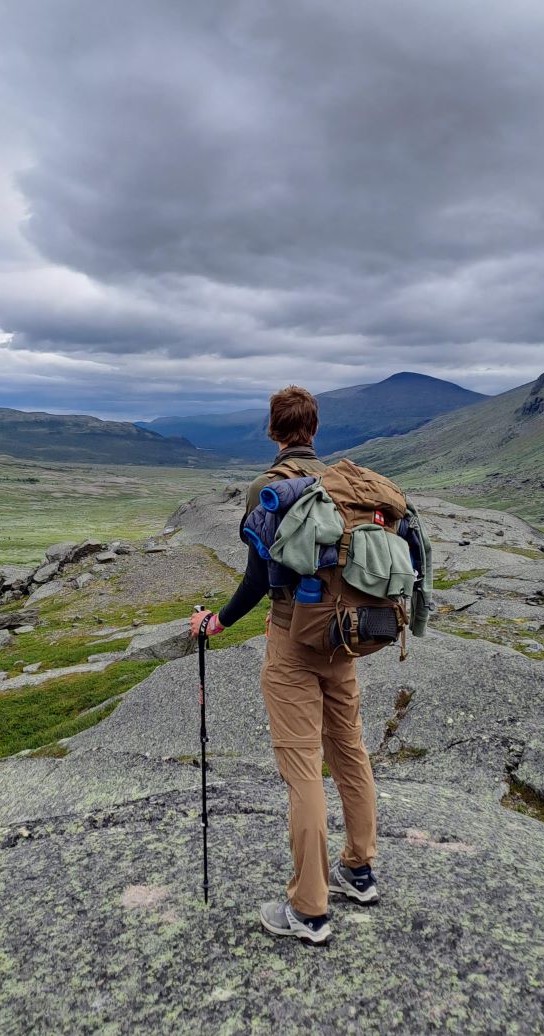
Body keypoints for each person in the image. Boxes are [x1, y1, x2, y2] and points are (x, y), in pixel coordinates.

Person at [190, 385, 378, 946]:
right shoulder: (341, 486)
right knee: (349, 751)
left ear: (273, 431)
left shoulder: (269, 488)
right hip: (344, 641)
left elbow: (256, 577)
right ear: (314, 432)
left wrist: (216, 623)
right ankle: (360, 870)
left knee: (302, 771)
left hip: (292, 642)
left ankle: (309, 909)